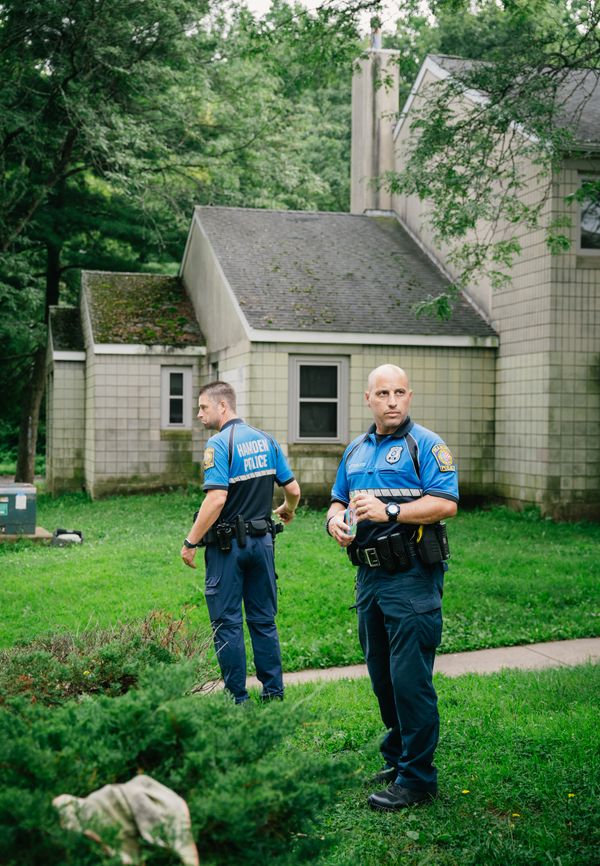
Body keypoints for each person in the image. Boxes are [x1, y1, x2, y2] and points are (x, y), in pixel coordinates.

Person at [326, 364, 458, 811]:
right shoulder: (356, 450)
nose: (392, 401)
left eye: (399, 392)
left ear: (410, 396)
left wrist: (391, 511)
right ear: (368, 399)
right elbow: (338, 499)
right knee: (382, 676)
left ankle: (417, 779)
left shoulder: (426, 445)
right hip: (369, 578)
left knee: (409, 679)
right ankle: (399, 757)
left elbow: (446, 503)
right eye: (383, 393)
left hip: (412, 578)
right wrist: (334, 522)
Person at [181, 381, 301, 704]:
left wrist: (191, 541)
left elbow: (216, 499)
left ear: (223, 406)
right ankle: (274, 694)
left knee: (227, 623)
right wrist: (288, 510)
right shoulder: (267, 440)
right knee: (263, 620)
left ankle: (237, 698)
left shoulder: (219, 444)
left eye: (203, 407)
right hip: (263, 545)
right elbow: (293, 490)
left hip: (227, 549)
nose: (199, 414)